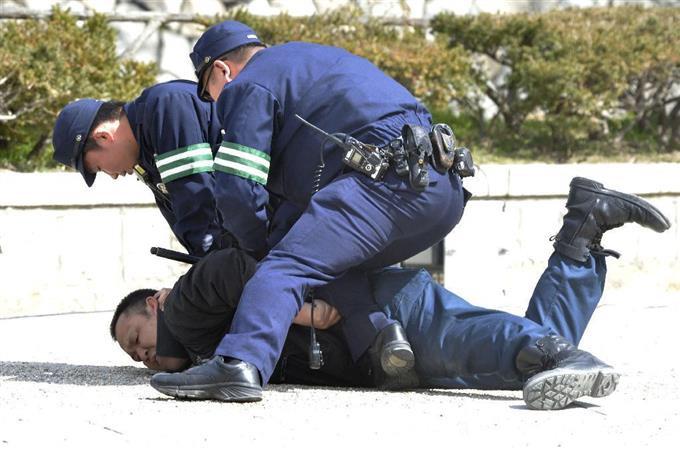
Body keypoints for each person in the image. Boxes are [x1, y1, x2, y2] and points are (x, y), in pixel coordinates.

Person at [111, 177, 671, 410]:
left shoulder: (185, 305)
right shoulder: (205, 347)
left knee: (467, 339)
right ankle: (582, 235)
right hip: (379, 352)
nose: (143, 356)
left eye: (136, 337)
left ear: (155, 302)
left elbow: (235, 266)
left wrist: (298, 308)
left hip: (386, 311)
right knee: (513, 367)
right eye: (134, 357)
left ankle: (557, 352)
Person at [160, 20, 472, 398]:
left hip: (386, 185)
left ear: (222, 70)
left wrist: (257, 250)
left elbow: (237, 191)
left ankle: (239, 363)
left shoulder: (249, 83)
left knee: (285, 264)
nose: (213, 103)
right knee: (322, 254)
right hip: (443, 191)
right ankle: (380, 340)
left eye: (207, 91)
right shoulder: (312, 62)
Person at [52, 80, 225, 256]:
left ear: (103, 137)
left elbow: (197, 200)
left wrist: (211, 263)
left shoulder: (165, 107)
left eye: (99, 168)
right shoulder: (143, 153)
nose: (113, 176)